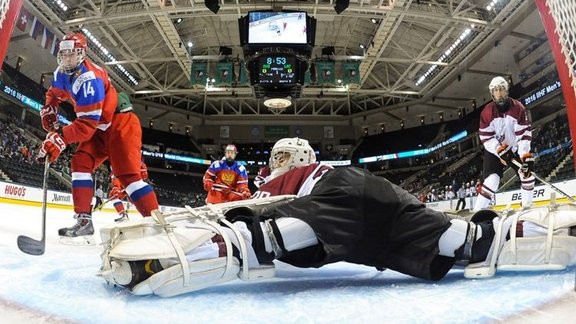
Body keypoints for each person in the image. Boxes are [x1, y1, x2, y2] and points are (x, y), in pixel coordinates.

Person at [98, 137, 576, 297]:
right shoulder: (324, 166)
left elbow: (231, 209)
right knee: (463, 240)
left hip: (333, 200)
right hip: (375, 198)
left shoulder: (286, 176)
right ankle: (543, 236)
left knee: (259, 235)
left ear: (287, 158)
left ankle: (157, 263)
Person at [37, 32, 160, 240]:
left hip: (119, 124)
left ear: (82, 54)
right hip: (99, 126)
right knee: (80, 162)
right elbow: (54, 93)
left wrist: (59, 138)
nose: (67, 58)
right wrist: (50, 106)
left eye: (72, 54)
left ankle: (157, 223)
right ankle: (84, 220)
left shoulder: (89, 80)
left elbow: (85, 127)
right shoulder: (61, 73)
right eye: (64, 54)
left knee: (128, 177)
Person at [473, 76, 535, 210]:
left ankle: (526, 208)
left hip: (514, 148)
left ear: (507, 91)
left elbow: (523, 135)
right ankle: (477, 212)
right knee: (492, 180)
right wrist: (499, 150)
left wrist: (524, 155)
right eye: (496, 90)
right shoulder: (487, 112)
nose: (499, 94)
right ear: (492, 93)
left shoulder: (518, 108)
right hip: (494, 150)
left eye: (501, 90)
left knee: (527, 174)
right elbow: (486, 137)